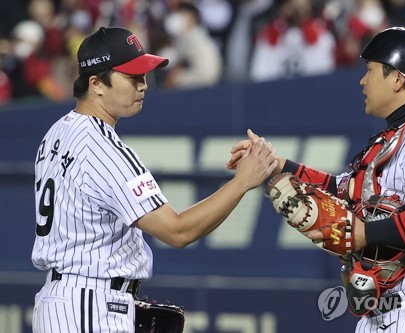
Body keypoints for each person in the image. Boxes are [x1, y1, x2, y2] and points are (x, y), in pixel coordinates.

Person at [228, 27, 405, 332]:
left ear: (399, 79)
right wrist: (277, 164)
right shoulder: (392, 139)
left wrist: (362, 233)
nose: (363, 80)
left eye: (371, 70)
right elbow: (345, 189)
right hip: (381, 313)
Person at [31, 26, 277, 332]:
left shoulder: (58, 131)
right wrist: (242, 182)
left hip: (67, 300)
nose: (143, 85)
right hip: (88, 304)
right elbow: (177, 231)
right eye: (132, 76)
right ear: (96, 83)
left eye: (144, 75)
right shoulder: (104, 150)